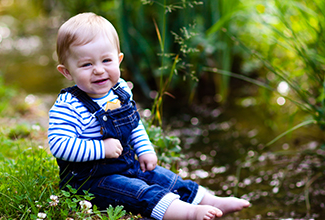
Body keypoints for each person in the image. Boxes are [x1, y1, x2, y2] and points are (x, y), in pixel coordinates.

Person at [47, 12, 250, 220]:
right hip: (91, 181)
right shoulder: (69, 105)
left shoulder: (120, 90)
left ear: (119, 60)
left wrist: (144, 149)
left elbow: (133, 124)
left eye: (106, 60)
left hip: (126, 165)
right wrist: (101, 149)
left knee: (163, 177)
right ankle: (188, 213)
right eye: (86, 64)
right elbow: (59, 145)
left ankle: (210, 201)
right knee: (138, 192)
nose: (99, 70)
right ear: (67, 72)